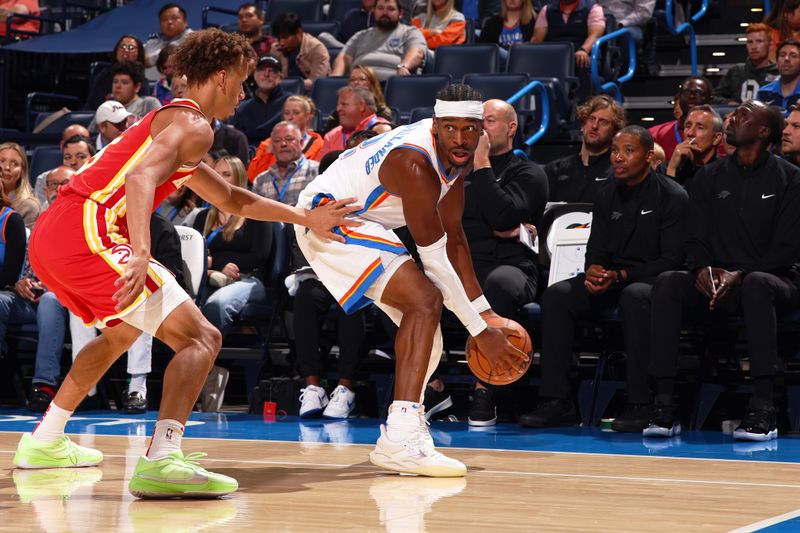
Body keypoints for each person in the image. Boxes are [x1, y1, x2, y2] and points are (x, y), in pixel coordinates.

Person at [11, 28, 360, 499]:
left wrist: (303, 216)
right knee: (202, 336)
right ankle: (161, 461)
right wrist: (138, 252)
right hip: (88, 227)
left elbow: (231, 196)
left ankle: (45, 440)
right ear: (220, 76)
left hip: (58, 233)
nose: (242, 93)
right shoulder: (194, 124)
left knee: (122, 331)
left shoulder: (173, 126)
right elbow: (138, 179)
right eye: (240, 82)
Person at [295, 84, 529, 476]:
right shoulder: (415, 162)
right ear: (435, 126)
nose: (460, 138)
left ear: (481, 132)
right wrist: (479, 331)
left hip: (362, 222)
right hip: (330, 217)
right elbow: (435, 261)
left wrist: (486, 314)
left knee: (427, 330)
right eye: (450, 128)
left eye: (469, 129)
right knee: (425, 301)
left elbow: (455, 238)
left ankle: (402, 433)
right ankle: (402, 436)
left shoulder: (456, 159)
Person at [646, 100, 800, 441]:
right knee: (670, 282)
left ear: (762, 132)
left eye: (743, 116)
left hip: (775, 280)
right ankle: (665, 402)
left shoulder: (791, 179)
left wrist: (740, 273)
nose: (732, 119)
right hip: (719, 281)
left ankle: (763, 407)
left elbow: (787, 249)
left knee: (759, 284)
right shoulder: (708, 176)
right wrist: (701, 269)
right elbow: (694, 236)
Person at [519, 126, 689, 430]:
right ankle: (558, 400)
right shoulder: (606, 193)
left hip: (653, 283)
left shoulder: (673, 195)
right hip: (613, 279)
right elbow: (596, 248)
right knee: (557, 296)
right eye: (614, 151)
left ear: (649, 157)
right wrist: (595, 269)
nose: (618, 158)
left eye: (628, 151)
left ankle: (641, 402)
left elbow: (672, 261)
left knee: (634, 296)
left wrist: (620, 275)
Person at [253, 122, 363, 418]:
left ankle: (345, 388)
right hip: (319, 271)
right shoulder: (312, 199)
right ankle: (312, 386)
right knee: (304, 296)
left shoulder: (360, 200)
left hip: (357, 275)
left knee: (350, 304)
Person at [456, 99, 548, 427]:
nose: (480, 129)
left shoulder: (529, 173)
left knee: (496, 285)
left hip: (512, 267)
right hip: (464, 266)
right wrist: (496, 227)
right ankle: (434, 388)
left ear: (511, 128)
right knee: (407, 285)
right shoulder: (455, 173)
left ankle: (485, 390)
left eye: (489, 121)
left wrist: (481, 163)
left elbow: (502, 215)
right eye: (477, 122)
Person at [195, 155, 272, 338]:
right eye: (216, 174)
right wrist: (214, 268)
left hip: (248, 278)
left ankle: (209, 360)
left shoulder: (257, 213)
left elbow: (259, 256)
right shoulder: (202, 217)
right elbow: (194, 255)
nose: (219, 179)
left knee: (217, 304)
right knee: (186, 305)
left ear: (238, 178)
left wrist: (215, 261)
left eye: (226, 174)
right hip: (208, 276)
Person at [545, 95, 624, 203]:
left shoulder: (619, 172)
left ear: (614, 132)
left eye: (603, 122)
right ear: (582, 125)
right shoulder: (554, 170)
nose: (595, 126)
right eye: (591, 119)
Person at [331, 0, 428, 82]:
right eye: (380, 8)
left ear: (401, 13)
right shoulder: (360, 35)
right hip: (359, 84)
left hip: (390, 83)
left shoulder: (410, 32)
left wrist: (404, 66)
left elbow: (417, 52)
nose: (385, 13)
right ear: (374, 11)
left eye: (391, 9)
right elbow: (343, 58)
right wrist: (335, 79)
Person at [531, 0, 605, 102]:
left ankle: (584, 106)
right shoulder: (547, 10)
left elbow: (595, 35)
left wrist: (583, 50)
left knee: (583, 62)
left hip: (582, 51)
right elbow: (537, 39)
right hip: (554, 54)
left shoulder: (593, 8)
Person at [248, 95, 324, 182]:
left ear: (308, 115)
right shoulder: (269, 143)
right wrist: (267, 154)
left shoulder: (320, 146)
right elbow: (253, 178)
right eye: (287, 113)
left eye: (296, 113)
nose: (290, 117)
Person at [649, 76, 713, 161]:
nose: (691, 96)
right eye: (686, 92)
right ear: (679, 97)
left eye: (698, 93)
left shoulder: (722, 135)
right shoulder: (655, 134)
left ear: (710, 100)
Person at [713, 23, 778, 104]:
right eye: (750, 42)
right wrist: (729, 103)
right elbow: (714, 97)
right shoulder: (736, 71)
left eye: (759, 41)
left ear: (770, 45)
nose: (754, 47)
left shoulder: (779, 73)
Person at [320, 86, 393, 157]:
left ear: (361, 106)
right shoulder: (331, 136)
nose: (338, 109)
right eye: (338, 105)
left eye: (344, 104)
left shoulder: (382, 130)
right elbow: (322, 168)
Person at [89, 61, 161, 132]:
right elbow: (90, 134)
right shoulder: (107, 106)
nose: (118, 86)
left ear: (137, 87)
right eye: (115, 81)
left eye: (124, 82)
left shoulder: (149, 104)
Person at [665, 105, 723, 189]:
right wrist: (672, 168)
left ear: (716, 138)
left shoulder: (726, 172)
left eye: (700, 127)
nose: (690, 133)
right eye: (688, 126)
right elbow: (666, 201)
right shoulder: (667, 168)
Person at [85, 35, 150, 111]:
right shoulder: (105, 75)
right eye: (122, 47)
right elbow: (91, 105)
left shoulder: (142, 80)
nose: (125, 50)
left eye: (131, 47)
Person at [323, 65, 394, 134]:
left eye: (362, 79)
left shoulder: (382, 112)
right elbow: (327, 134)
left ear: (372, 83)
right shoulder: (340, 111)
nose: (356, 82)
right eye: (352, 80)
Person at [271, 12, 331, 92]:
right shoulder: (275, 49)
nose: (281, 43)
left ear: (298, 32)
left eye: (285, 37)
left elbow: (316, 83)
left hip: (310, 94)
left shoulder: (317, 49)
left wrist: (287, 85)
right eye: (278, 38)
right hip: (283, 92)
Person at [32, 123, 92, 203]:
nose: (73, 162)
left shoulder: (104, 182)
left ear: (92, 158)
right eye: (68, 157)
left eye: (80, 157)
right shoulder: (45, 179)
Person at [229, 55, 288, 136]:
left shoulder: (290, 104)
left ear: (281, 77)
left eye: (272, 71)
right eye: (262, 70)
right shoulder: (242, 108)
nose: (266, 74)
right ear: (255, 75)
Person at [143, 3, 192, 82]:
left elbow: (171, 51)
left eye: (174, 18)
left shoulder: (193, 38)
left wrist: (148, 60)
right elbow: (137, 56)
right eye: (164, 19)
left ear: (185, 22)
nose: (169, 22)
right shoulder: (152, 43)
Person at [477, 0, 536, 65]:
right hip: (499, 67)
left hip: (524, 64)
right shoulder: (492, 24)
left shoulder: (533, 23)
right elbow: (483, 51)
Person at [0, 142, 40, 228]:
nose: (7, 167)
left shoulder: (28, 206)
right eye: (2, 161)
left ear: (22, 171)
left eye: (14, 164)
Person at [757, 39, 800, 112]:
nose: (786, 59)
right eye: (782, 55)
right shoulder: (763, 93)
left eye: (793, 55)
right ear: (776, 62)